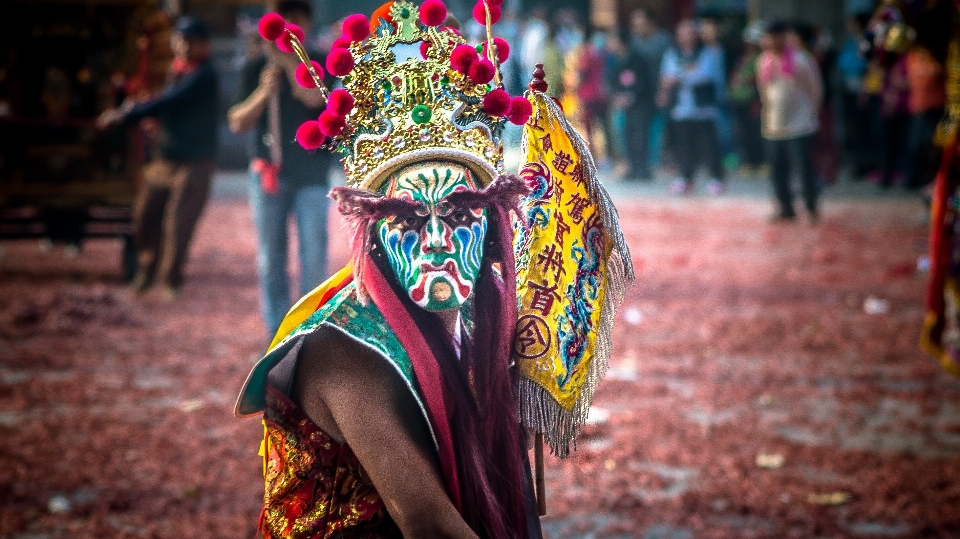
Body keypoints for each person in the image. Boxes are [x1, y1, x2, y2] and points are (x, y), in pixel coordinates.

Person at [235, 5, 633, 538]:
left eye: (462, 213)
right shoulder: (343, 350)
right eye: (407, 218)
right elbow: (428, 522)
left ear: (493, 228)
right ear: (374, 234)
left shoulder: (490, 310)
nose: (439, 240)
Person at [228, 0, 332, 336]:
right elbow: (237, 122)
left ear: (308, 21)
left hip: (312, 174)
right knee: (271, 259)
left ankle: (309, 327)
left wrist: (291, 65)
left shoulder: (318, 63)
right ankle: (277, 329)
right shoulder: (254, 66)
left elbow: (316, 100)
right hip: (268, 173)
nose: (290, 24)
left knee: (314, 256)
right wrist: (263, 91)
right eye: (284, 17)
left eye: (297, 17)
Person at [97, 16, 218, 299]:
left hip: (195, 161)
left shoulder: (204, 75)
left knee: (178, 222)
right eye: (181, 40)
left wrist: (127, 114)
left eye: (191, 42)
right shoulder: (177, 71)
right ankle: (145, 270)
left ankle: (170, 281)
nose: (185, 47)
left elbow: (171, 100)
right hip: (165, 158)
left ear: (202, 45)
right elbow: (166, 101)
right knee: (144, 214)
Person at [756, 20, 823, 222]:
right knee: (777, 170)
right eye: (769, 36)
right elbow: (763, 91)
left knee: (803, 169)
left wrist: (811, 113)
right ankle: (786, 208)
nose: (772, 40)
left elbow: (815, 89)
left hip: (800, 124)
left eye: (777, 35)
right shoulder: (763, 61)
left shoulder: (801, 60)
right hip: (773, 124)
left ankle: (811, 207)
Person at [657, 19, 727, 196]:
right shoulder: (672, 54)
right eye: (682, 32)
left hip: (704, 108)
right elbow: (666, 76)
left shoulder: (709, 53)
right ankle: (686, 178)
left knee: (708, 145)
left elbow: (706, 75)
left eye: (690, 32)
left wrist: (679, 77)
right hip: (681, 108)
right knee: (684, 145)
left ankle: (716, 178)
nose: (686, 36)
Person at [628, 8, 670, 174]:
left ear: (650, 23)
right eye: (634, 25)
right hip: (642, 93)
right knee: (640, 130)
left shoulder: (663, 41)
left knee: (664, 129)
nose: (636, 28)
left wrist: (664, 90)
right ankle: (642, 166)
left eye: (640, 24)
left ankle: (665, 161)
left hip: (662, 90)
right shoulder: (634, 42)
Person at [608, 29, 654, 180]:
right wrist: (617, 95)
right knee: (628, 135)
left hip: (641, 104)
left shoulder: (637, 59)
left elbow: (644, 82)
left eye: (613, 40)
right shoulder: (616, 59)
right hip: (626, 106)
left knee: (640, 136)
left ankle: (643, 169)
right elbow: (613, 80)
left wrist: (631, 96)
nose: (611, 43)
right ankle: (633, 168)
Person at [903, 44, 946, 190]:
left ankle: (933, 179)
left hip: (936, 108)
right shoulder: (913, 55)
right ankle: (919, 178)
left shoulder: (937, 54)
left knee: (933, 145)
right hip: (918, 108)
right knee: (915, 144)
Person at [728, 21, 765, 174]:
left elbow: (759, 76)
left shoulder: (762, 58)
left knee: (757, 131)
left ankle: (761, 162)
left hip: (755, 100)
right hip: (740, 101)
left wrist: (745, 80)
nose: (748, 44)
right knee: (743, 132)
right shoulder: (742, 57)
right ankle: (748, 161)